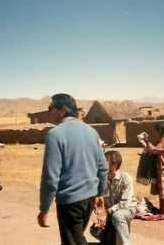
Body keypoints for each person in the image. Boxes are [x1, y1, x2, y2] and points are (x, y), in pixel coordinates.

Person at [37, 93, 108, 245]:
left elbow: (50, 178)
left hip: (70, 202)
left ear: (63, 110)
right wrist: (100, 193)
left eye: (51, 108)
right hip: (89, 199)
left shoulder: (55, 134)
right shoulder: (92, 132)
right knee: (76, 238)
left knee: (72, 241)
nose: (48, 111)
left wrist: (44, 209)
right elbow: (102, 168)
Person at [97, 150, 136, 245]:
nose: (102, 163)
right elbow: (100, 201)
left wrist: (107, 212)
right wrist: (101, 216)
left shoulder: (126, 178)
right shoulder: (102, 180)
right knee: (95, 230)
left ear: (114, 164)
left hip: (127, 209)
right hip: (111, 211)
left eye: (105, 161)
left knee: (118, 216)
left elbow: (124, 203)